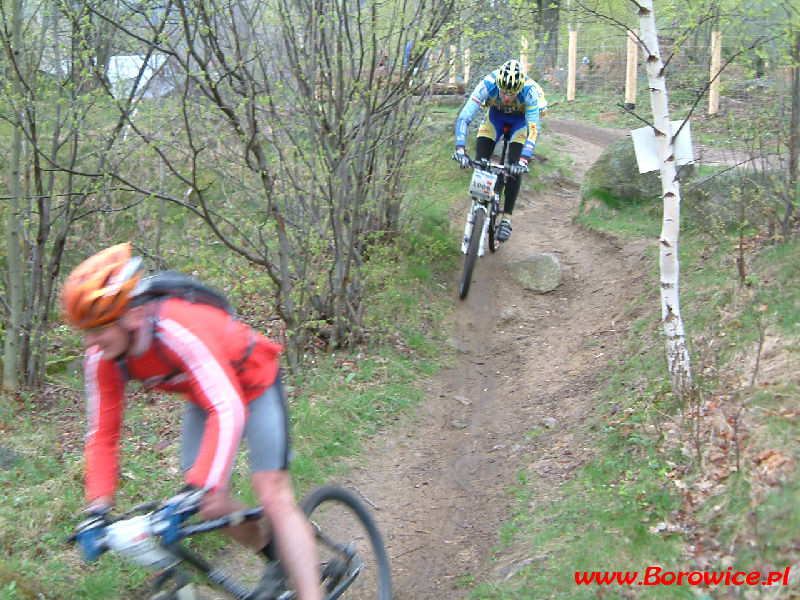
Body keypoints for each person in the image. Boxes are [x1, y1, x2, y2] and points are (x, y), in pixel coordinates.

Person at [62, 242, 321, 600]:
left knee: (272, 494)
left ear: (131, 316)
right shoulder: (102, 357)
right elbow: (103, 437)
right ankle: (273, 553)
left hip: (254, 383)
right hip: (207, 399)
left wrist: (198, 484)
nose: (90, 341)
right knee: (208, 502)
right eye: (85, 330)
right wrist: (97, 510)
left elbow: (229, 406)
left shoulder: (175, 326)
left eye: (98, 328)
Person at [453, 59, 544, 242]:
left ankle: (506, 219)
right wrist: (460, 148)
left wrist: (524, 160)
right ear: (498, 86)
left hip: (520, 122)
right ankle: (479, 205)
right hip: (495, 118)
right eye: (503, 92)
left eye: (512, 94)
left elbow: (533, 129)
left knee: (514, 167)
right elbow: (465, 116)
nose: (507, 97)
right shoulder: (488, 83)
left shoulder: (530, 92)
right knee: (481, 160)